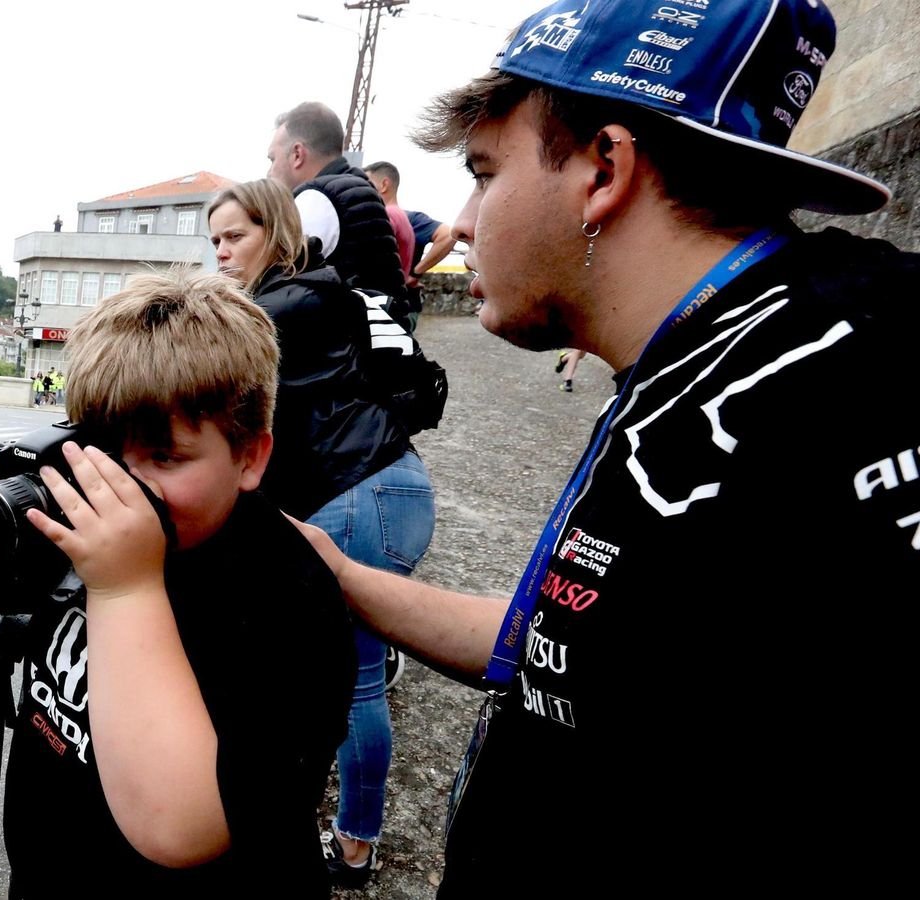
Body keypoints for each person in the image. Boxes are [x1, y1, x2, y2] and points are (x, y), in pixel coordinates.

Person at [290, 0, 917, 894]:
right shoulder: (712, 352)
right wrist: (340, 576)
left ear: (604, 169)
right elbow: (579, 638)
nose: (461, 224)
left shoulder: (827, 399)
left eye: (483, 172)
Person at [0, 270, 355, 898]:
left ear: (250, 457)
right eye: (102, 449)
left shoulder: (288, 598)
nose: (124, 488)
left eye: (166, 457)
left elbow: (179, 831)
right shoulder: (79, 518)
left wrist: (126, 587)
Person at [208, 178, 436, 887]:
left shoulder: (284, 303)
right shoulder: (305, 292)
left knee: (358, 682)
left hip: (358, 491)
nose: (221, 253)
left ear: (276, 231)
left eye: (235, 237)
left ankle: (356, 843)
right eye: (214, 240)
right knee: (341, 670)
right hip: (379, 485)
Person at [266, 102, 406, 302]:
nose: (270, 172)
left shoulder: (316, 199)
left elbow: (279, 282)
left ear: (297, 154)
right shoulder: (353, 187)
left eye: (272, 159)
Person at [364, 161, 458, 332]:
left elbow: (448, 235)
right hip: (402, 304)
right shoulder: (406, 217)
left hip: (389, 306)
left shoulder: (393, 216)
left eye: (367, 183)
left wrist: (415, 273)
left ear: (384, 184)